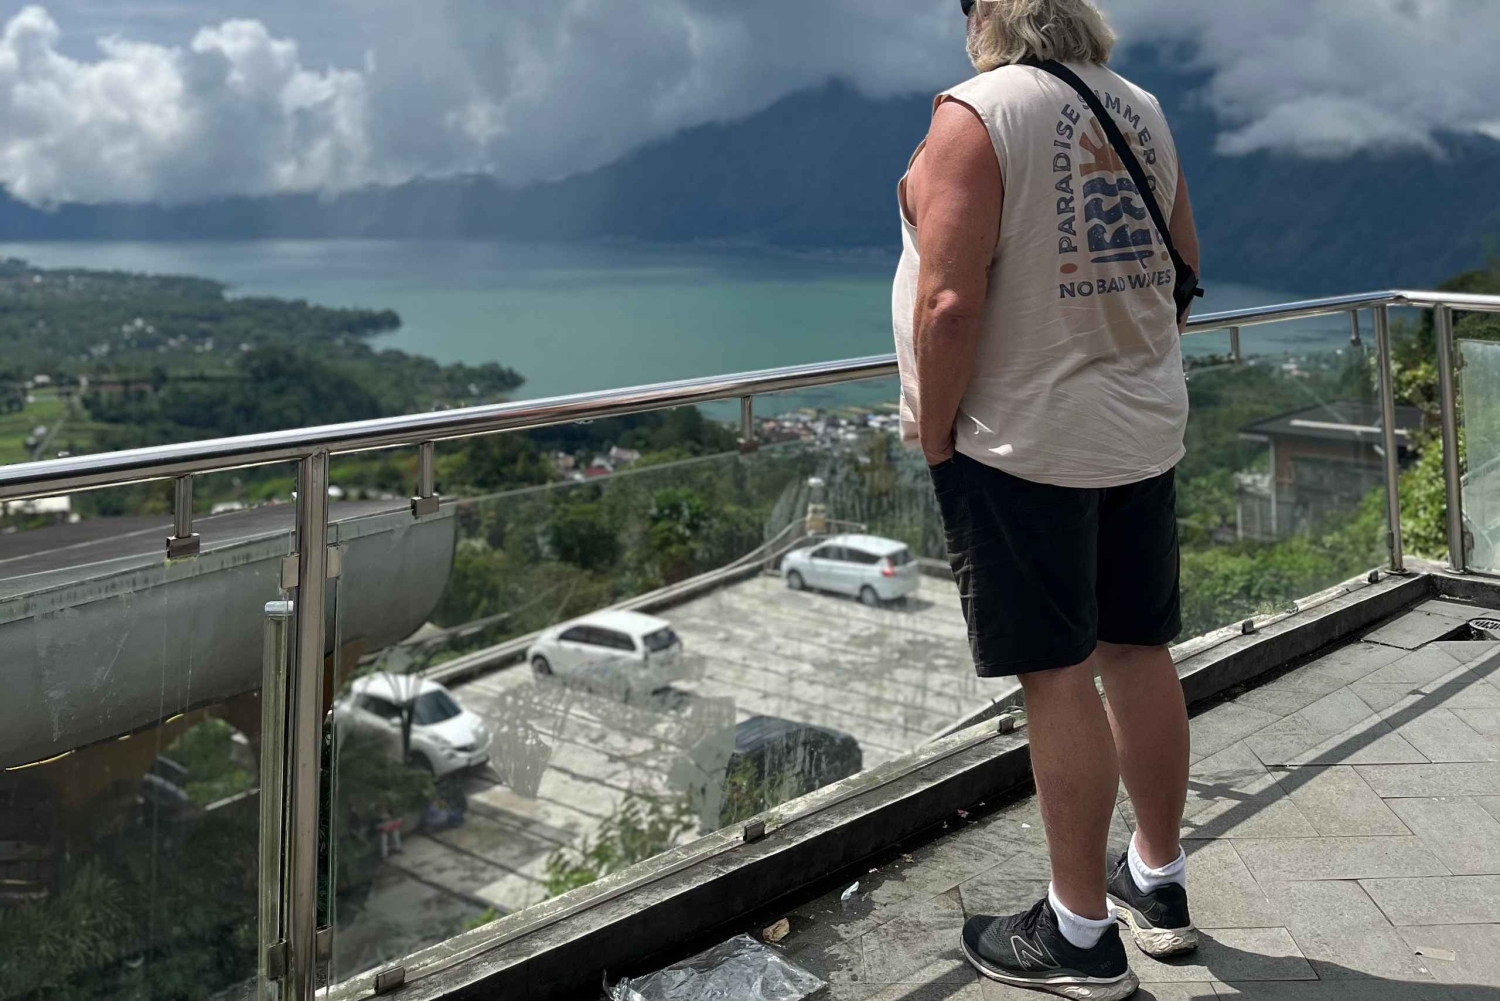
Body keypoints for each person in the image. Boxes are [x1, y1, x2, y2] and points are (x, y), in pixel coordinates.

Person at [893, 0, 1202, 997]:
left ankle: (1077, 932)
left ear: (988, 13)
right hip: (1139, 426)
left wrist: (937, 431)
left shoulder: (975, 112)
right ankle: (1156, 880)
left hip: (1021, 438)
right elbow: (1184, 266)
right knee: (1136, 648)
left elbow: (948, 302)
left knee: (1056, 674)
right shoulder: (1141, 105)